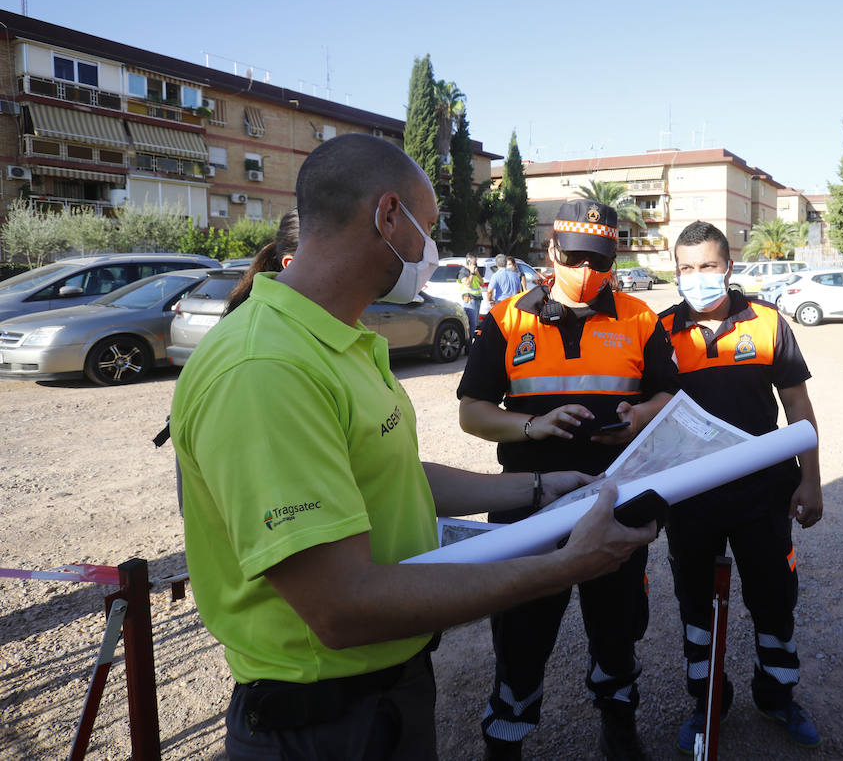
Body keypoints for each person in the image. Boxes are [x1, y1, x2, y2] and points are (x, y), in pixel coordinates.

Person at [170, 135, 656, 760]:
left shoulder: (341, 341)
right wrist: (563, 567)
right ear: (388, 215)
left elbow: (389, 473)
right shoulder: (266, 367)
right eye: (428, 230)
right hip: (322, 720)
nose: (433, 251)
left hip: (381, 695)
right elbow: (342, 608)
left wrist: (536, 487)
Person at [458, 199, 679, 761]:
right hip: (528, 501)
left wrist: (637, 417)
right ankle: (505, 736)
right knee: (521, 630)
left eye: (600, 261)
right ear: (552, 251)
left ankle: (619, 726)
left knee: (617, 626)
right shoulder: (507, 317)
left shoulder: (638, 316)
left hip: (617, 494)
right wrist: (534, 426)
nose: (588, 273)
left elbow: (667, 395)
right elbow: (473, 412)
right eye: (576, 258)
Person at [658, 220, 824, 752]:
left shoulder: (770, 324)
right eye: (686, 268)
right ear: (676, 272)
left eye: (708, 266)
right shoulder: (660, 332)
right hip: (691, 498)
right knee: (696, 607)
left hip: (763, 494)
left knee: (774, 601)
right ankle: (708, 703)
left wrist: (812, 481)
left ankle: (777, 696)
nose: (698, 278)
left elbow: (798, 407)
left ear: (728, 268)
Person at [461, 253, 484, 344]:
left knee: (475, 324)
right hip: (470, 300)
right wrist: (471, 273)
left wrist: (477, 273)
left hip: (477, 300)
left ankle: (472, 344)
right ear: (469, 262)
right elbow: (468, 284)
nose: (475, 265)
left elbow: (482, 283)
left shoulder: (475, 272)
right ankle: (469, 346)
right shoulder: (463, 272)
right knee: (472, 324)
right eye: (474, 263)